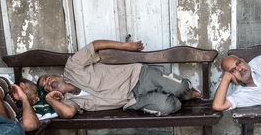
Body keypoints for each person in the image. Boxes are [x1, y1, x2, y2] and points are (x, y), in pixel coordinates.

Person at [38, 40, 201, 118]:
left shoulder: (73, 66)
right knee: (169, 106)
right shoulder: (69, 102)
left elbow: (94, 45)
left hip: (137, 76)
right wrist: (49, 99)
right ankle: (171, 94)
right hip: (132, 101)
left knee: (180, 89)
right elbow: (67, 114)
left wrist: (126, 46)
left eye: (46, 78)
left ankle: (184, 92)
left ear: (57, 75)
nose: (48, 84)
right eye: (45, 87)